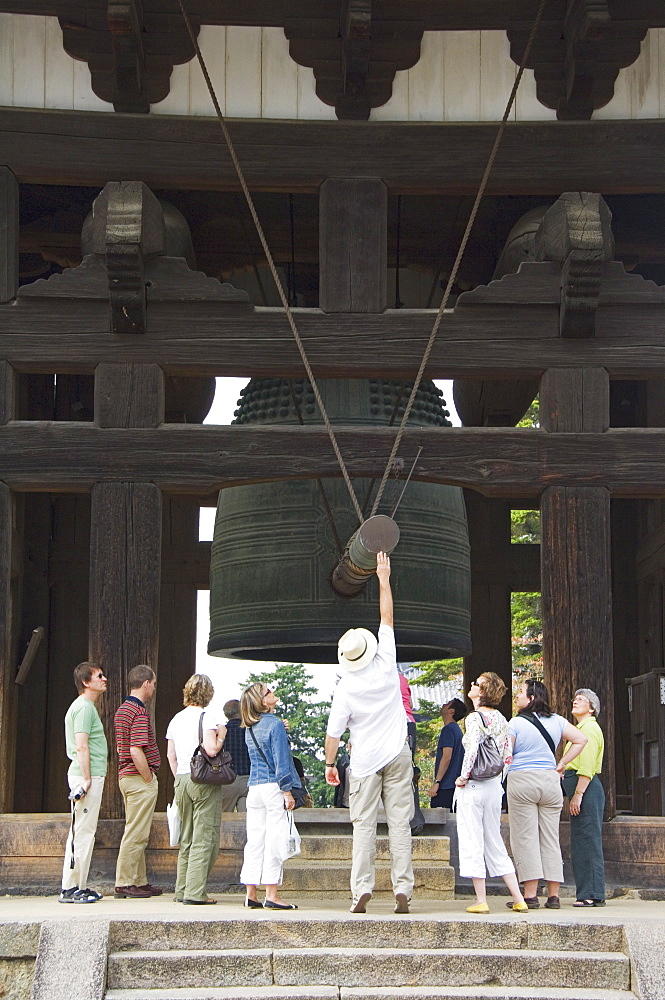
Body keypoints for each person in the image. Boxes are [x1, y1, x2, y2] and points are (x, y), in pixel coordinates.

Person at [325, 552, 414, 915]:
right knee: (400, 824)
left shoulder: (345, 687)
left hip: (363, 762)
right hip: (397, 753)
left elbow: (334, 733)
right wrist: (383, 577)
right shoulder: (386, 662)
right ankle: (402, 889)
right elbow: (387, 616)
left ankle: (361, 889)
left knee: (363, 827)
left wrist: (330, 763)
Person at [507, 679, 587, 909]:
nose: (518, 696)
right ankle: (554, 896)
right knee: (550, 837)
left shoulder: (515, 723)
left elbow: (507, 753)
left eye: (521, 692)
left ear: (531, 698)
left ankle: (530, 895)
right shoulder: (558, 721)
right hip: (551, 781)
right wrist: (561, 763)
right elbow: (581, 739)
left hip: (523, 780)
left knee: (526, 837)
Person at [454, 673, 528, 914]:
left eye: (476, 684)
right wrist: (499, 779)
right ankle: (518, 897)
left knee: (472, 839)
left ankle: (481, 899)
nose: (472, 685)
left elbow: (472, 748)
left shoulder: (474, 718)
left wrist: (464, 776)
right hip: (495, 786)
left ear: (482, 691)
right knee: (494, 840)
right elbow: (508, 754)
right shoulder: (503, 719)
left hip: (474, 786)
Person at [239, 682, 302, 910]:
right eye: (268, 691)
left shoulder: (250, 728)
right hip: (273, 787)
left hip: (253, 788)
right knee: (275, 839)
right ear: (262, 701)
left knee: (255, 841)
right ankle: (272, 894)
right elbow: (281, 762)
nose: (272, 692)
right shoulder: (274, 725)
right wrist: (288, 791)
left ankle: (250, 893)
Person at [165, 674, 226, 904]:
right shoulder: (206, 717)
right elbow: (211, 750)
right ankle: (195, 892)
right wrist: (222, 736)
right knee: (204, 836)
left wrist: (180, 777)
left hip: (181, 779)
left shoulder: (176, 719)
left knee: (187, 837)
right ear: (208, 694)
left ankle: (181, 890)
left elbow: (171, 755)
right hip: (202, 781)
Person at [59, 661, 108, 904]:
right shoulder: (84, 708)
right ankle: (70, 888)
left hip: (88, 775)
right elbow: (81, 745)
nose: (104, 679)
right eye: (99, 676)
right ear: (86, 682)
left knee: (84, 831)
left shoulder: (85, 707)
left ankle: (79, 885)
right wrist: (87, 779)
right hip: (86, 776)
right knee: (82, 832)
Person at [114, 664, 161, 899]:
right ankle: (124, 881)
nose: (153, 688)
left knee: (138, 829)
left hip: (126, 776)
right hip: (137, 777)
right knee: (136, 832)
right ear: (146, 684)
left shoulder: (123, 709)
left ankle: (139, 880)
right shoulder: (139, 712)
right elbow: (136, 749)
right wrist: (148, 777)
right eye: (153, 683)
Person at [561, 688, 606, 907]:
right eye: (575, 699)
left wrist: (578, 794)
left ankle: (592, 893)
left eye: (581, 700)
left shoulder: (590, 728)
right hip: (579, 786)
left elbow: (586, 766)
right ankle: (588, 891)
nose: (575, 702)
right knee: (581, 840)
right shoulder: (580, 729)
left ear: (592, 708)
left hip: (585, 788)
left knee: (587, 840)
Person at [429, 698, 468, 809]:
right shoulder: (457, 730)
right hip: (454, 784)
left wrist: (437, 782)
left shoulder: (448, 730)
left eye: (447, 704)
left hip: (445, 785)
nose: (444, 704)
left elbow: (446, 757)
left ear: (451, 711)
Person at [221, 699, 251, 813]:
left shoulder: (222, 732)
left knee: (223, 820)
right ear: (242, 711)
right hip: (248, 781)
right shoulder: (250, 731)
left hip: (227, 781)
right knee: (247, 821)